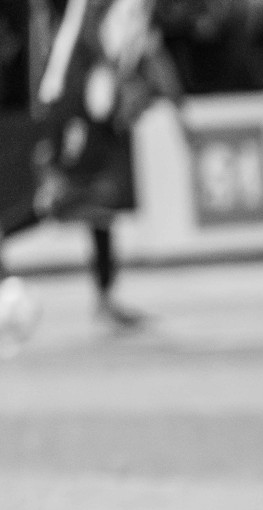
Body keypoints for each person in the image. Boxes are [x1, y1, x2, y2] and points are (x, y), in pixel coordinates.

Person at [0, 0, 187, 341]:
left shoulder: (144, 11)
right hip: (73, 98)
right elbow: (87, 28)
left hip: (95, 103)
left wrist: (179, 113)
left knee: (99, 202)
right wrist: (109, 79)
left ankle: (105, 299)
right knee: (59, 196)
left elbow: (151, 53)